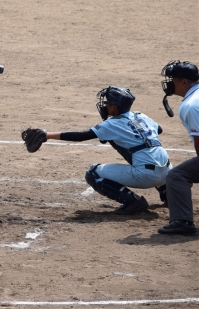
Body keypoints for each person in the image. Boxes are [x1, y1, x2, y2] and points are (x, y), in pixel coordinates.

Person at [21, 86, 170, 215]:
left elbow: (81, 136)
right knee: (149, 154)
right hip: (168, 173)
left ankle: (133, 202)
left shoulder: (111, 124)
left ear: (115, 107)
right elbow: (159, 130)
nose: (104, 105)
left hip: (146, 175)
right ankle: (168, 194)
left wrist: (47, 135)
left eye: (107, 103)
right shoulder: (140, 116)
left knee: (93, 173)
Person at [157, 61, 199, 236]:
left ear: (184, 82)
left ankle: (182, 222)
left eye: (173, 79)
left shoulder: (191, 105)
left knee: (176, 176)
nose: (169, 83)